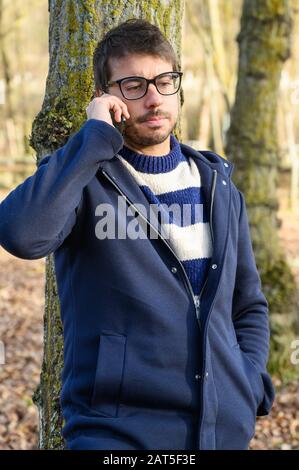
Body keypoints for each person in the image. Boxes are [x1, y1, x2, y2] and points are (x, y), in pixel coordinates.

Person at [0, 18, 275, 450]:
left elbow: (249, 305)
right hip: (117, 436)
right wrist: (93, 138)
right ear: (104, 97)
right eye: (133, 85)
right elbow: (20, 233)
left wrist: (246, 384)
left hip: (220, 433)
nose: (153, 98)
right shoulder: (84, 180)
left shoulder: (218, 187)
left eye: (165, 81)